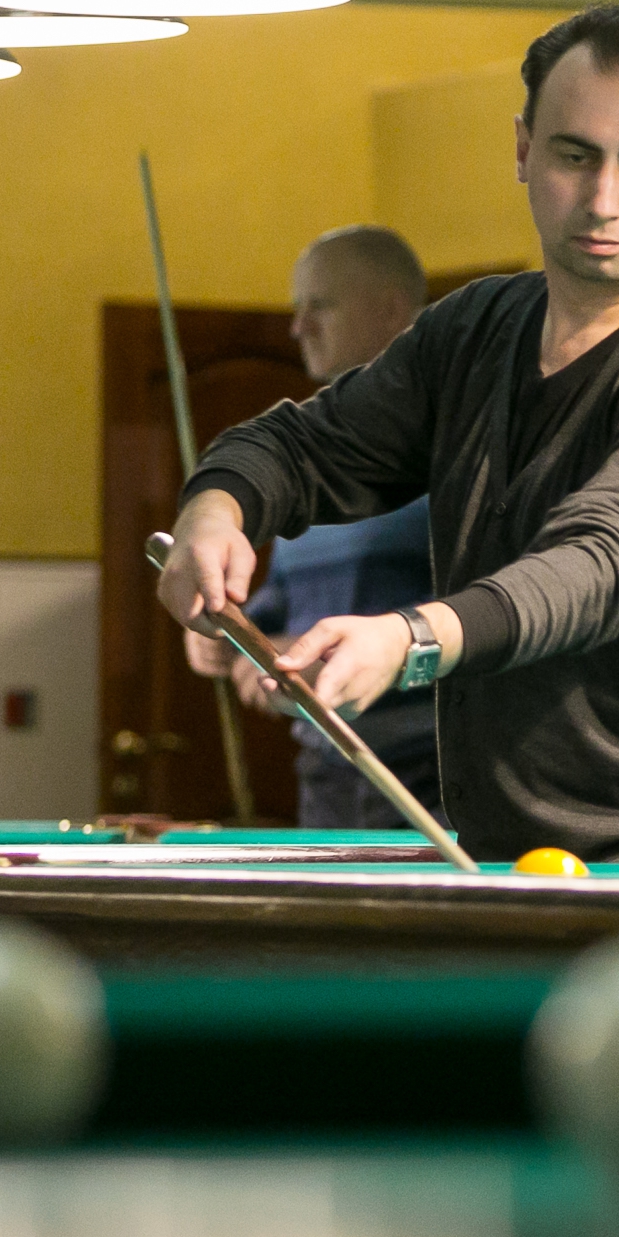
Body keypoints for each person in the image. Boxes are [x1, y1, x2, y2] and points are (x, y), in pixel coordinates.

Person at [157, 5, 619, 863]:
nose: (603, 199)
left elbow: (596, 565)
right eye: (575, 155)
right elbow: (307, 446)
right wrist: (215, 507)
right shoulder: (472, 330)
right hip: (509, 848)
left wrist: (408, 639)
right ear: (524, 150)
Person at [183, 225, 439, 829]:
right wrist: (229, 631)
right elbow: (280, 611)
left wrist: (314, 651)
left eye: (319, 306)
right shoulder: (314, 469)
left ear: (390, 309)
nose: (297, 328)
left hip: (429, 772)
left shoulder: (453, 447)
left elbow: (491, 614)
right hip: (326, 771)